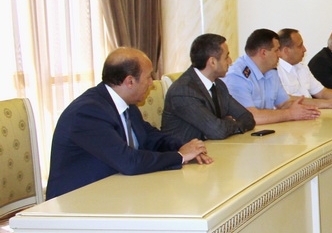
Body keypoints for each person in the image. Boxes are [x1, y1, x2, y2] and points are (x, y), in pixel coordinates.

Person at [46, 47, 212, 199]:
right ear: (130, 81)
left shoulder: (126, 104)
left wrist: (184, 147)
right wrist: (180, 157)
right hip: (78, 202)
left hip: (115, 191)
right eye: (148, 77)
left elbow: (151, 137)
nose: (151, 83)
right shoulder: (88, 112)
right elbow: (129, 162)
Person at [162, 34, 257, 142]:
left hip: (215, 148)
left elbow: (248, 118)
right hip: (183, 152)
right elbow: (218, 131)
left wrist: (224, 124)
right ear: (212, 62)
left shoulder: (219, 85)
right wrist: (228, 123)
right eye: (226, 57)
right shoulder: (183, 91)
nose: (230, 61)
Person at [224, 29, 323, 125]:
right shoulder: (237, 76)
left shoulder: (271, 71)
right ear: (263, 53)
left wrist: (304, 109)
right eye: (276, 50)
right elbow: (250, 116)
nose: (280, 54)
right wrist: (290, 114)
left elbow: (283, 103)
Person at [276, 28, 332, 107]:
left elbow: (322, 92)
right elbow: (286, 100)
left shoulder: (302, 68)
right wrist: (326, 103)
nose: (304, 49)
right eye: (300, 46)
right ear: (286, 51)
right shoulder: (275, 71)